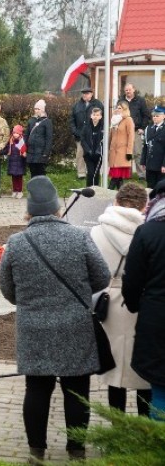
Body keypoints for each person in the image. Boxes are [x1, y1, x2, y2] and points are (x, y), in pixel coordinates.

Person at [0, 176, 112, 462]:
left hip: (33, 328)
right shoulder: (79, 237)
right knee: (76, 391)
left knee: (36, 390)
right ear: (57, 209)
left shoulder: (16, 242)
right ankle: (76, 451)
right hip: (76, 325)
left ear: (29, 211)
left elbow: (7, 290)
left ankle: (36, 451)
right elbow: (102, 277)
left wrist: (29, 303)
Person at [90, 183, 151, 416]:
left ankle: (117, 424)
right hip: (141, 301)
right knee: (143, 371)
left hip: (109, 302)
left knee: (115, 371)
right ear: (144, 205)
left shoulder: (97, 231)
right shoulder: (149, 230)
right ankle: (143, 428)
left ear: (116, 201)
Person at [122, 180, 165, 420]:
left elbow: (133, 280)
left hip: (156, 319)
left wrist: (136, 306)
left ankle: (157, 449)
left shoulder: (147, 231)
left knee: (159, 387)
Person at [70, 88, 103, 180]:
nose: (84, 95)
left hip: (94, 135)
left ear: (91, 94)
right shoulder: (77, 105)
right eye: (83, 93)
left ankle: (93, 172)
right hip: (80, 135)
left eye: (87, 93)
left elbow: (102, 119)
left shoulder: (98, 104)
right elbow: (72, 120)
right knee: (80, 154)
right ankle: (81, 173)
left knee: (93, 154)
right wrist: (75, 131)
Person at [121, 83, 150, 180]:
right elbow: (116, 114)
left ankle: (142, 175)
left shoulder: (140, 100)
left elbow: (146, 115)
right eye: (126, 90)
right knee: (125, 153)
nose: (128, 92)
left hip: (136, 130)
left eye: (129, 90)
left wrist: (142, 127)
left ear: (134, 90)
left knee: (138, 153)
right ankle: (126, 174)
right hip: (123, 132)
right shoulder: (121, 101)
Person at [109, 100, 135, 190]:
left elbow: (131, 137)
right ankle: (122, 197)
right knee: (118, 178)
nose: (118, 109)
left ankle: (107, 193)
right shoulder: (114, 119)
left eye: (120, 108)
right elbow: (111, 136)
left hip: (122, 153)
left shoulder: (128, 120)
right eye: (117, 107)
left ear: (125, 109)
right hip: (113, 152)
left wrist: (129, 152)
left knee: (115, 177)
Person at [25, 100, 53, 178]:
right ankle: (33, 189)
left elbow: (49, 138)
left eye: (38, 109)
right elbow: (26, 135)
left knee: (41, 173)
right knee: (32, 172)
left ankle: (41, 190)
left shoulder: (47, 122)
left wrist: (46, 152)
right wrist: (24, 149)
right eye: (35, 109)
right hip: (30, 152)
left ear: (43, 109)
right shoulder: (31, 120)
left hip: (41, 152)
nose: (36, 110)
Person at [141, 105, 165, 189]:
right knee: (150, 187)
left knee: (160, 187)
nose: (155, 117)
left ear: (163, 116)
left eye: (157, 116)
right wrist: (143, 161)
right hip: (150, 164)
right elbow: (145, 146)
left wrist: (164, 165)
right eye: (153, 116)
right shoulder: (149, 128)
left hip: (160, 164)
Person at [4, 125, 28, 199]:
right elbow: (7, 149)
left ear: (20, 134)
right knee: (13, 177)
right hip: (12, 162)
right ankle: (14, 191)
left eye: (17, 133)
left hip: (20, 162)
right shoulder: (10, 141)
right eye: (14, 133)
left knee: (19, 178)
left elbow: (25, 151)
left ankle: (20, 191)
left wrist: (25, 155)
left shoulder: (22, 141)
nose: (15, 134)